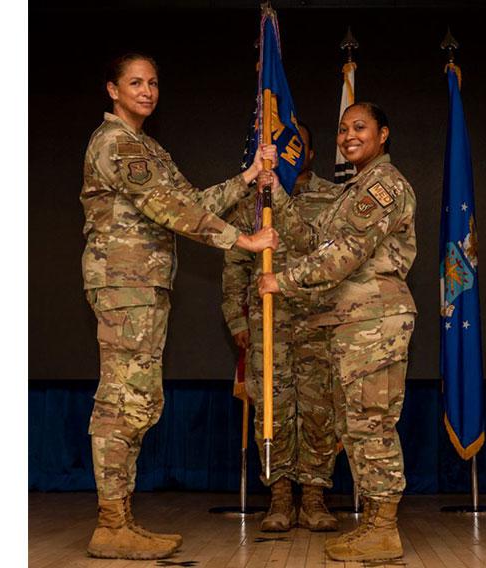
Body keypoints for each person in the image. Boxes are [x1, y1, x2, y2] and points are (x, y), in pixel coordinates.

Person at [80, 52, 279, 560]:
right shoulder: (116, 144)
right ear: (112, 89)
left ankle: (120, 519)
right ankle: (110, 523)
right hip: (125, 287)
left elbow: (190, 200)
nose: (146, 90)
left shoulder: (145, 146)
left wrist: (248, 175)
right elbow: (172, 211)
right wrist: (246, 240)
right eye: (135, 82)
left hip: (143, 288)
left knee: (139, 398)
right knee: (123, 400)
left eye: (153, 82)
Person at [258, 102, 416, 562]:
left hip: (374, 323)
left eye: (360, 127)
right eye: (343, 128)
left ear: (383, 134)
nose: (348, 136)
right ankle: (373, 525)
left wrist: (280, 281)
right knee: (358, 424)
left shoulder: (382, 185)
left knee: (372, 425)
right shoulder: (353, 189)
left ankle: (383, 528)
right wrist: (277, 194)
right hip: (353, 325)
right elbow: (312, 239)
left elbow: (343, 254)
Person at [220, 122, 342, 532]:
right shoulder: (254, 200)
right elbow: (235, 263)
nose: (291, 153)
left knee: (318, 410)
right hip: (267, 323)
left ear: (309, 153)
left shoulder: (333, 197)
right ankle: (279, 496)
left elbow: (326, 251)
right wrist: (237, 318)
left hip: (317, 319)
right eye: (283, 147)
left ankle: (313, 496)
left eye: (298, 147)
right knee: (272, 409)